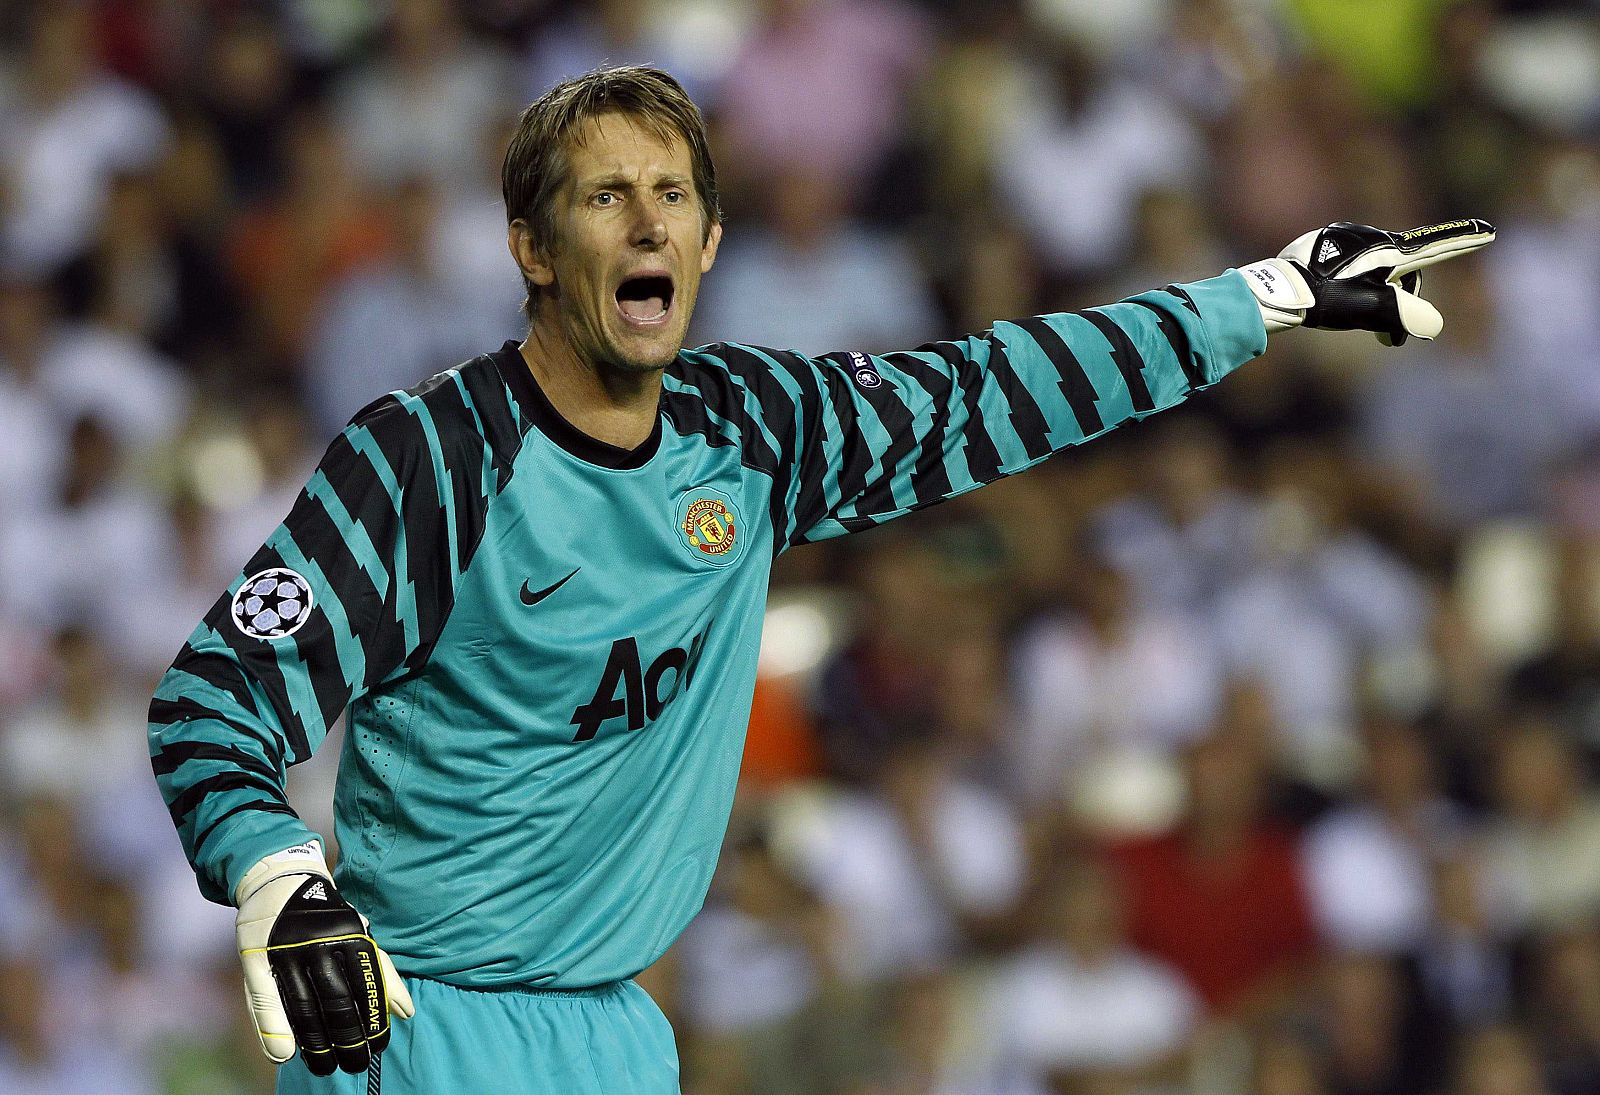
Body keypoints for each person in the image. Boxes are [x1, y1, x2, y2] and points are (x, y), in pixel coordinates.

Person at [146, 65, 1494, 1094]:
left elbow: (990, 392)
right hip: (419, 1028)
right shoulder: (432, 460)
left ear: (709, 244)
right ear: (532, 249)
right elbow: (214, 701)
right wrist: (277, 877)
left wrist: (1263, 297)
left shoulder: (749, 429)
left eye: (674, 195)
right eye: (606, 196)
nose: (647, 221)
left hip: (618, 1037)